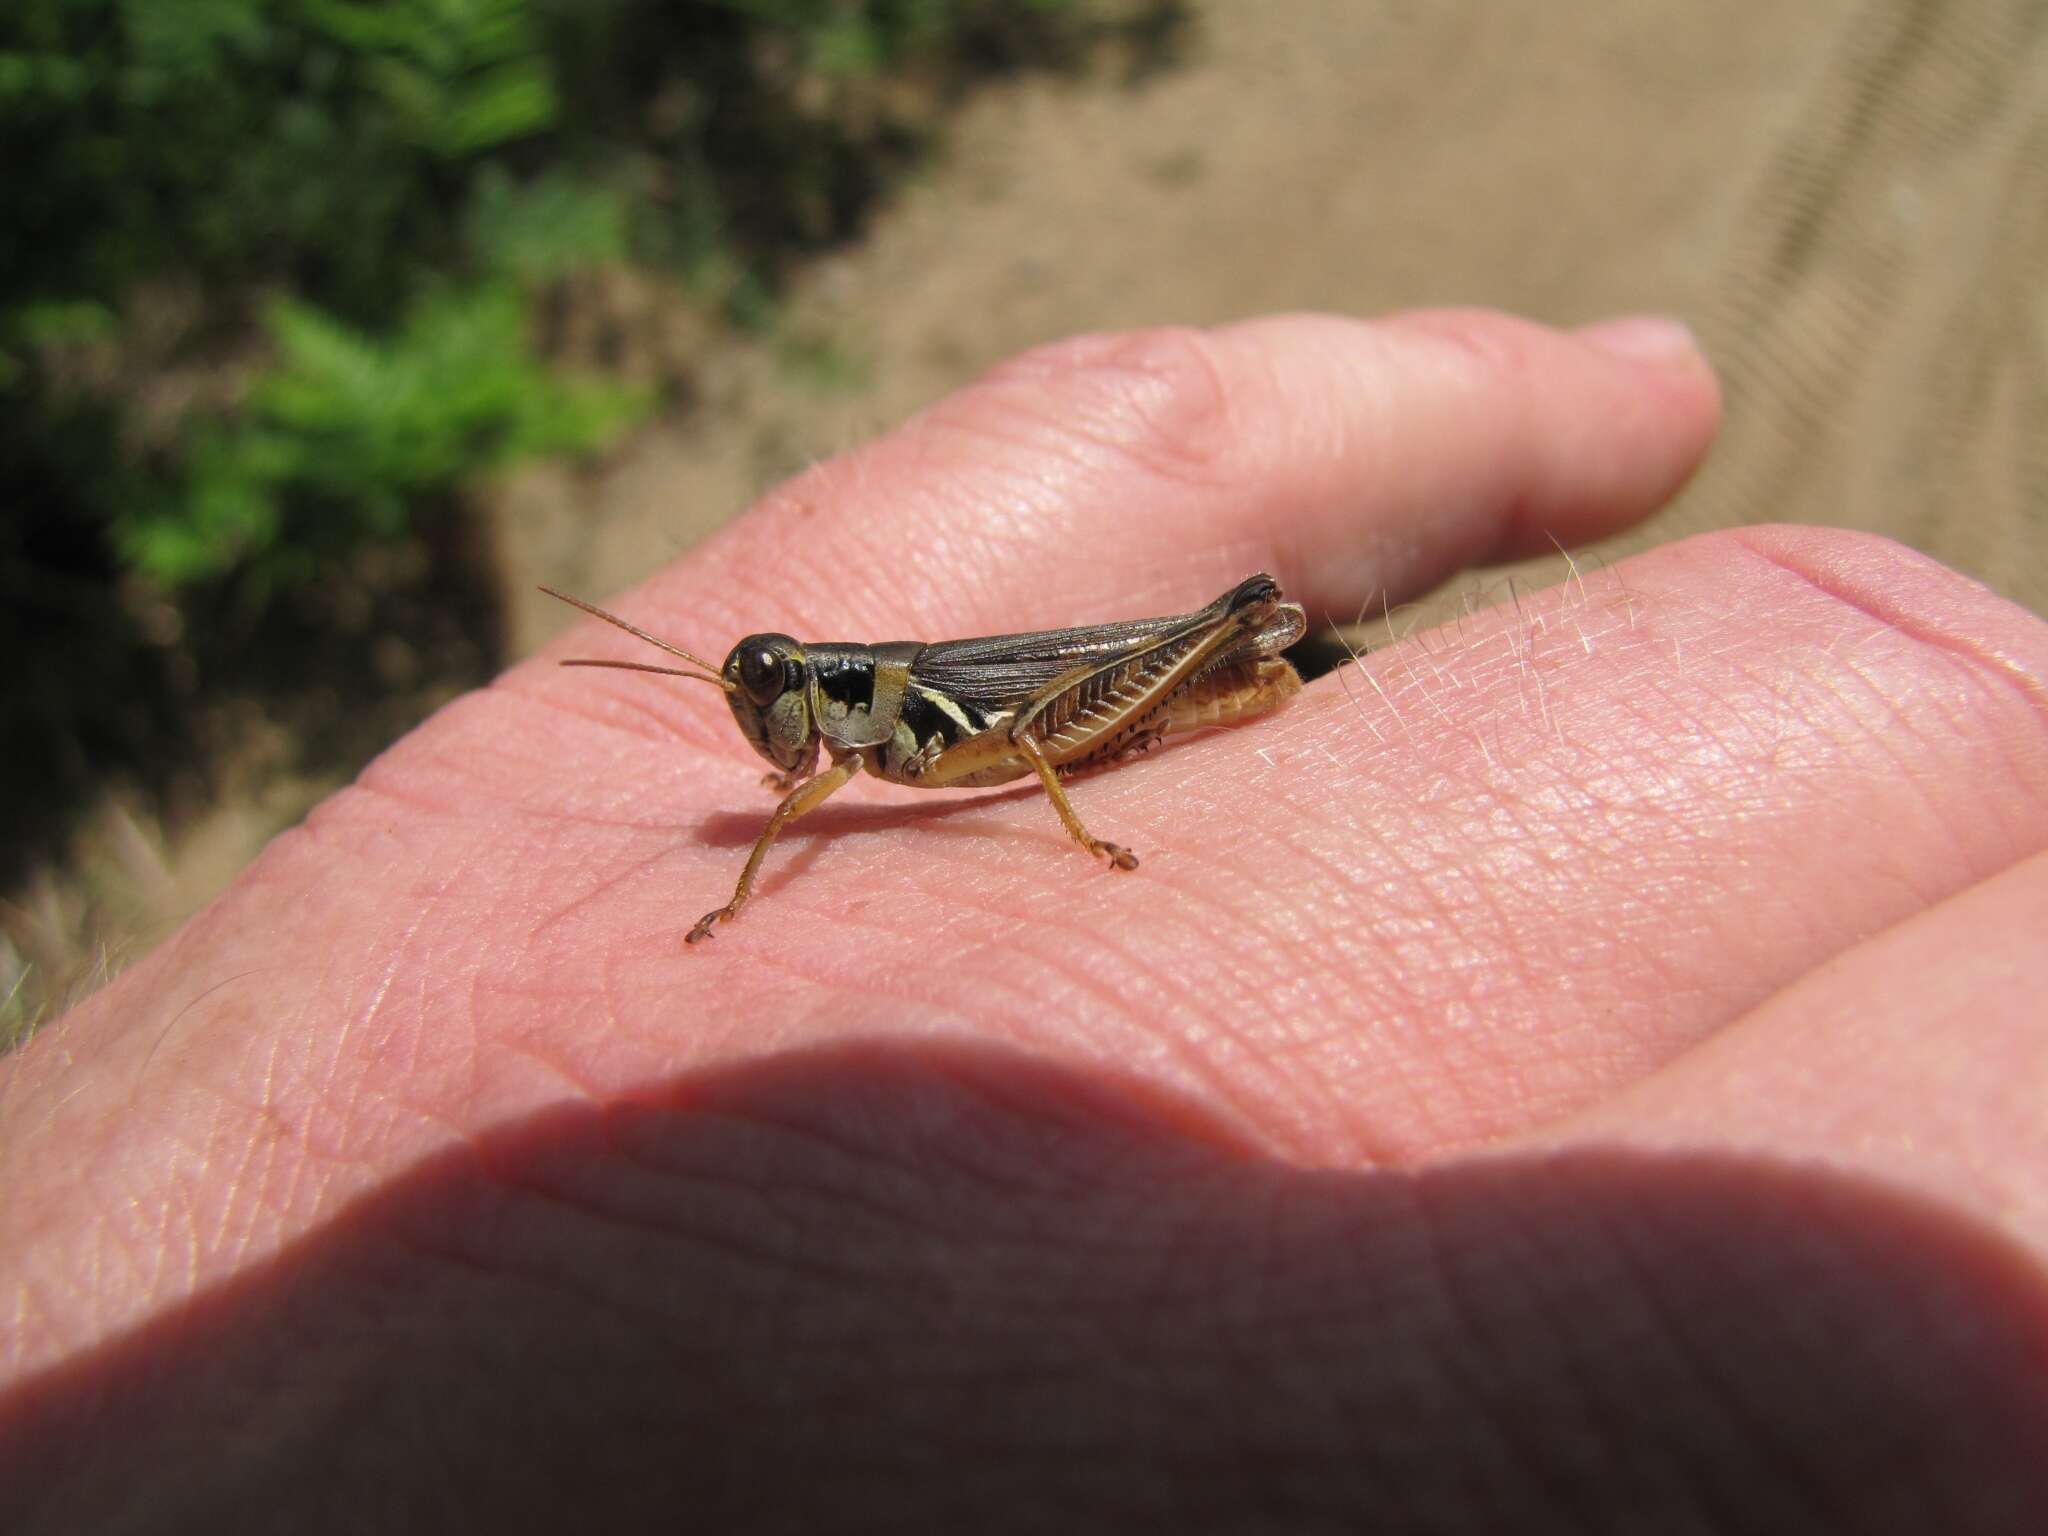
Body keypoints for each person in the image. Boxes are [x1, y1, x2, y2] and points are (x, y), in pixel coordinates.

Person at [4, 311, 2044, 1531]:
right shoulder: (817, 760)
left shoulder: (909, 729)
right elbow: (794, 810)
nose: (778, 729)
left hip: (1155, 679)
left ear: (825, 689)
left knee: (1216, 642)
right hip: (1081, 708)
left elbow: (967, 744)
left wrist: (1068, 842)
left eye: (783, 698)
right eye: (772, 703)